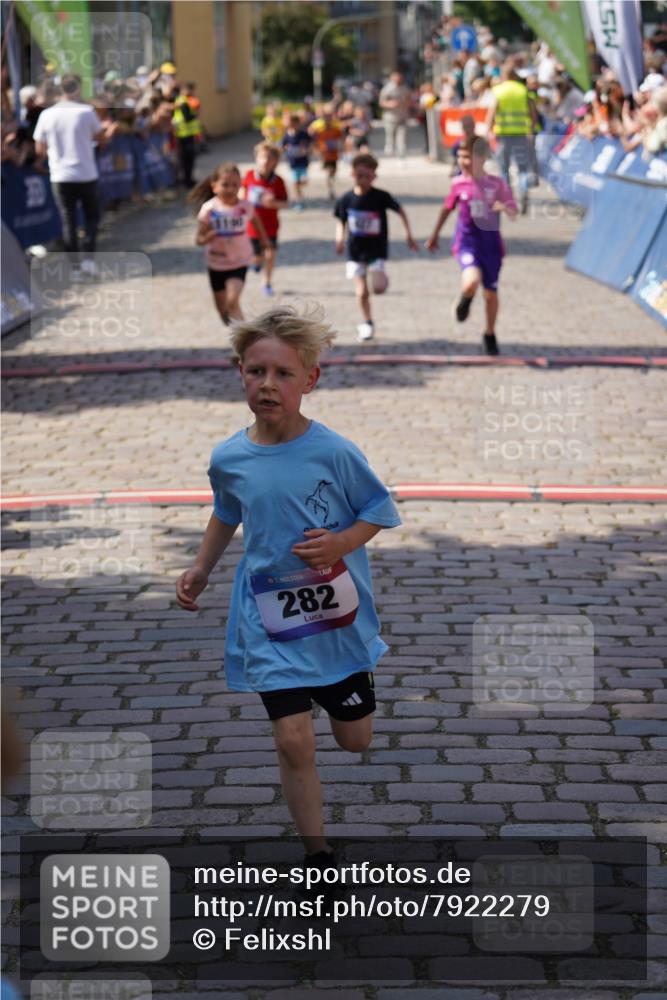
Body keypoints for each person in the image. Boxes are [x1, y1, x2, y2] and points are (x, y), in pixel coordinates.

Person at [176, 304, 401, 871]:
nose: (268, 385)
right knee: (292, 742)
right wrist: (202, 568)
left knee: (355, 741)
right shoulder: (229, 458)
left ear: (310, 380)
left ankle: (349, 684)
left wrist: (341, 543)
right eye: (256, 372)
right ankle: (318, 858)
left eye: (282, 374)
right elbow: (226, 512)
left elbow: (379, 509)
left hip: (334, 620)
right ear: (240, 374)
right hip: (268, 620)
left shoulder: (334, 451)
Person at [425, 136, 517, 356]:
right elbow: (447, 209)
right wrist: (435, 235)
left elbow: (513, 210)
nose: (464, 161)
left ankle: (489, 333)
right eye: (460, 156)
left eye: (469, 156)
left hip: (492, 247)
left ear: (483, 157)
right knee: (471, 282)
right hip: (467, 243)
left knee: (490, 294)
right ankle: (465, 299)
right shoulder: (458, 184)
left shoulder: (497, 184)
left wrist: (503, 206)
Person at [334, 152, 418, 342]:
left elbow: (401, 211)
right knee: (362, 291)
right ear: (352, 175)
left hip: (376, 249)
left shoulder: (381, 196)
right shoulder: (346, 199)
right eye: (359, 175)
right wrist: (339, 239)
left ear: (374, 177)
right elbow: (341, 221)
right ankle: (367, 322)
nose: (363, 180)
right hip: (355, 251)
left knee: (379, 288)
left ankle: (381, 276)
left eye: (367, 176)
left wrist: (409, 235)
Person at [33, 73, 104, 276]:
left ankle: (74, 267)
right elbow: (100, 138)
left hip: (61, 175)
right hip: (86, 174)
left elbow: (39, 149)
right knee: (92, 217)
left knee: (69, 220)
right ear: (78, 88)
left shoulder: (47, 115)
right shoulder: (86, 111)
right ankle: (88, 260)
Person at [189, 162, 269, 324]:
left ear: (240, 185)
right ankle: (234, 328)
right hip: (216, 263)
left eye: (235, 185)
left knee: (232, 301)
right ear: (214, 186)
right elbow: (198, 240)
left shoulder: (245, 207)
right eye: (225, 185)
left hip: (239, 261)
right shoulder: (209, 209)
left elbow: (256, 223)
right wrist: (208, 237)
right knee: (223, 309)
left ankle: (245, 337)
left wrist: (263, 243)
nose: (230, 189)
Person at [485, 58, 538, 214]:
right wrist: (531, 129)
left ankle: (509, 201)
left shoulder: (498, 90)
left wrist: (488, 130)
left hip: (503, 135)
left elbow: (492, 111)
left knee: (504, 169)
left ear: (503, 75)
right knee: (522, 168)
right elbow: (533, 114)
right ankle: (523, 195)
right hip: (521, 134)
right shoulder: (523, 90)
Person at [240, 142, 289, 296]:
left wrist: (273, 203)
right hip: (252, 226)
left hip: (270, 226)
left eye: (269, 158)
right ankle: (256, 262)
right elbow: (241, 194)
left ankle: (266, 282)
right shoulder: (248, 176)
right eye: (262, 157)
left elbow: (285, 203)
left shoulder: (278, 181)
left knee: (270, 254)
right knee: (257, 256)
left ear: (275, 162)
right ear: (256, 158)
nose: (265, 161)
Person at [309, 104, 343, 201]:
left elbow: (340, 138)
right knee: (329, 171)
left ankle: (331, 183)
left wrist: (341, 148)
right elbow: (314, 139)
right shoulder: (320, 130)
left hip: (334, 154)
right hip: (325, 154)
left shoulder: (335, 129)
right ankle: (330, 189)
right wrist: (316, 150)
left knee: (333, 171)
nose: (328, 120)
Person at [172, 87, 201, 188]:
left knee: (185, 159)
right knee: (187, 159)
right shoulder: (183, 102)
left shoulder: (182, 101)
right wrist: (196, 113)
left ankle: (187, 179)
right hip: (185, 135)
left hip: (184, 134)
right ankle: (187, 181)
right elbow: (187, 118)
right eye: (190, 89)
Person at [281, 114, 311, 210]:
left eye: (294, 124)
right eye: (291, 124)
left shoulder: (303, 134)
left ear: (298, 124)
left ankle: (299, 190)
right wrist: (285, 150)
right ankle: (299, 200)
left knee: (303, 181)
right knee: (295, 182)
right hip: (293, 162)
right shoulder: (286, 135)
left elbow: (311, 144)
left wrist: (306, 150)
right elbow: (282, 147)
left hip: (303, 162)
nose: (293, 126)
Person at [379, 70, 411, 156]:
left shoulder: (404, 88)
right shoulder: (387, 89)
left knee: (402, 135)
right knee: (390, 134)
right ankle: (390, 150)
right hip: (390, 116)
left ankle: (401, 152)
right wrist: (390, 104)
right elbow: (381, 102)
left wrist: (405, 103)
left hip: (402, 115)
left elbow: (409, 100)